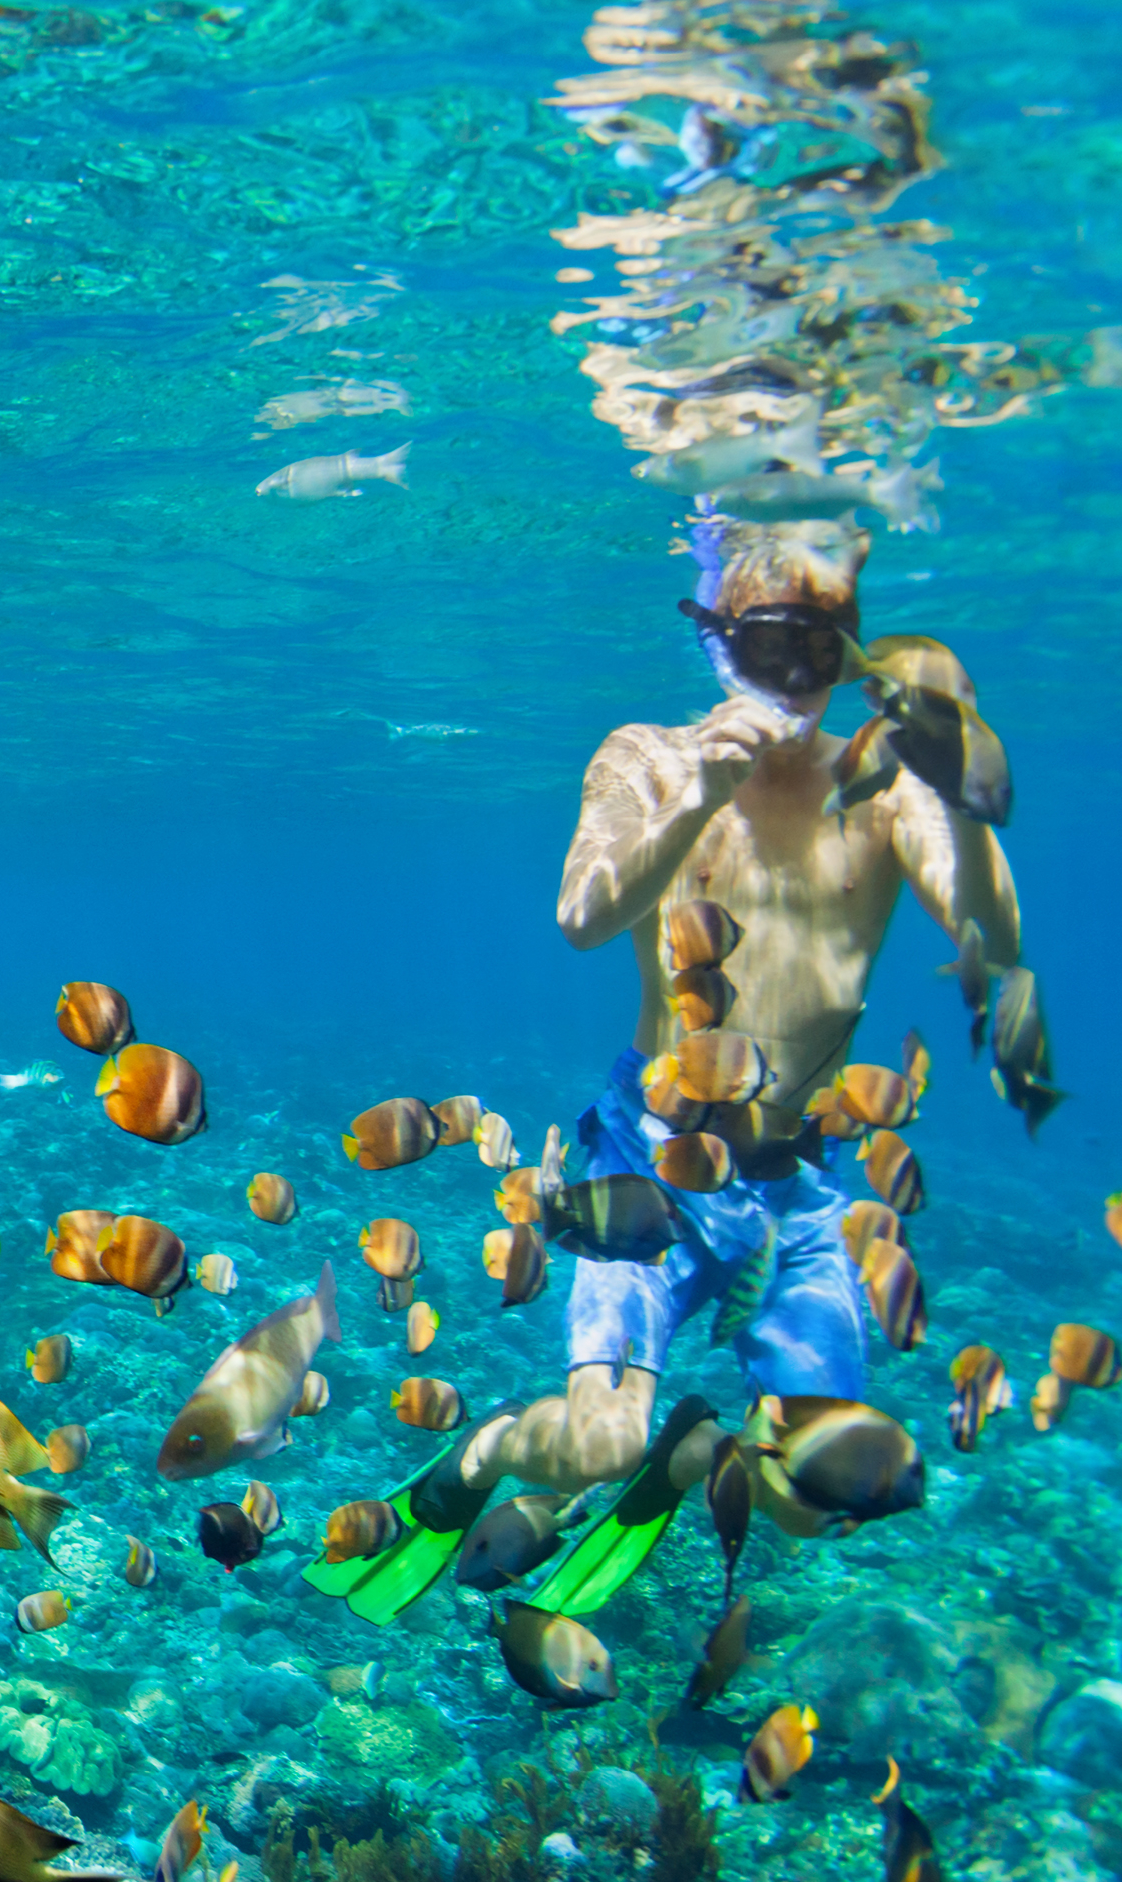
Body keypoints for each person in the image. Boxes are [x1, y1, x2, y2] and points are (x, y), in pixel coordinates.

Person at [315, 516, 1024, 1623]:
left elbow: (993, 933)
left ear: (850, 656)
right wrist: (698, 791)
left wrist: (968, 795)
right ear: (715, 641)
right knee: (598, 1442)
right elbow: (582, 916)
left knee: (807, 1499)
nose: (793, 679)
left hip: (801, 1182)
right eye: (765, 648)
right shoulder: (644, 755)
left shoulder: (885, 789)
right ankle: (503, 1445)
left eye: (819, 650)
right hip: (654, 1163)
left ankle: (695, 1451)